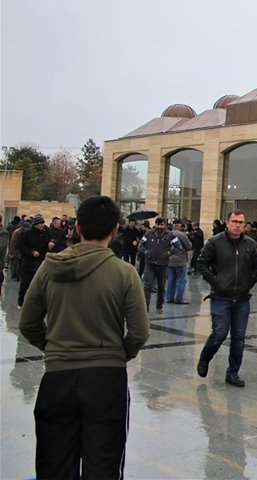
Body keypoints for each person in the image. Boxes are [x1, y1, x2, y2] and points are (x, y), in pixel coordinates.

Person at [19, 196, 149, 479]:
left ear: (77, 226)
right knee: (103, 463)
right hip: (106, 379)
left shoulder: (49, 269)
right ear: (115, 229)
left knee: (55, 463)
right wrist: (118, 353)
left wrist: (52, 347)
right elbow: (139, 331)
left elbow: (28, 323)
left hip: (58, 376)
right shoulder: (125, 273)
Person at [195, 210, 257, 388]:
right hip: (221, 297)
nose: (238, 225)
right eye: (235, 221)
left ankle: (233, 373)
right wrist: (216, 282)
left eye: (241, 222)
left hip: (242, 298)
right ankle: (205, 357)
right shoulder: (215, 242)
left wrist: (249, 283)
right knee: (220, 333)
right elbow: (201, 263)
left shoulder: (250, 244)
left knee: (239, 337)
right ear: (227, 222)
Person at [138, 217, 181, 313]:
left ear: (164, 225)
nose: (159, 227)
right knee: (147, 285)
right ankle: (146, 308)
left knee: (161, 287)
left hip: (163, 265)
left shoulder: (170, 235)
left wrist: (169, 253)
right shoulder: (149, 233)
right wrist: (146, 252)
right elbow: (140, 245)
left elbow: (179, 247)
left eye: (161, 225)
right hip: (150, 264)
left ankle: (159, 306)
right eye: (158, 224)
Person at [18, 214, 51, 307]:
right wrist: (31, 252)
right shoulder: (27, 234)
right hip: (28, 263)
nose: (42, 225)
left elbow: (50, 241)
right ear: (35, 224)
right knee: (25, 284)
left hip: (40, 263)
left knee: (40, 286)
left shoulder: (45, 233)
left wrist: (51, 244)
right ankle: (21, 301)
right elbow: (20, 246)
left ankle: (37, 304)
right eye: (40, 223)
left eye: (43, 223)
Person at [165, 219, 193, 305]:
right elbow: (189, 246)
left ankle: (169, 297)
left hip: (169, 260)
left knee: (171, 280)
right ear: (180, 225)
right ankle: (179, 298)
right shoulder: (181, 235)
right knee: (181, 280)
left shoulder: (167, 234)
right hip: (180, 260)